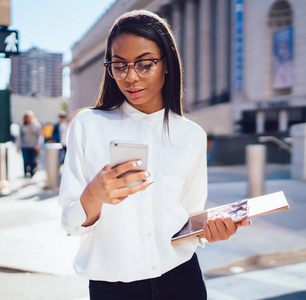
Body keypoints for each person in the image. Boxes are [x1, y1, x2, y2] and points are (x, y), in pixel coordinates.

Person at [58, 10, 250, 300]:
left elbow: (189, 217)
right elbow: (70, 224)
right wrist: (95, 195)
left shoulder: (192, 135)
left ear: (167, 64)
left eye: (145, 64)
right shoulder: (88, 125)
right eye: (119, 66)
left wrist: (210, 230)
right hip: (113, 288)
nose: (130, 77)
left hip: (182, 280)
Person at [19, 110, 43, 178]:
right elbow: (19, 137)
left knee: (33, 160)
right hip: (24, 146)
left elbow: (40, 136)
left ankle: (33, 172)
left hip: (33, 146)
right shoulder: (22, 125)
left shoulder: (36, 125)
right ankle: (26, 172)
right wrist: (17, 147)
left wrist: (38, 145)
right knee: (26, 160)